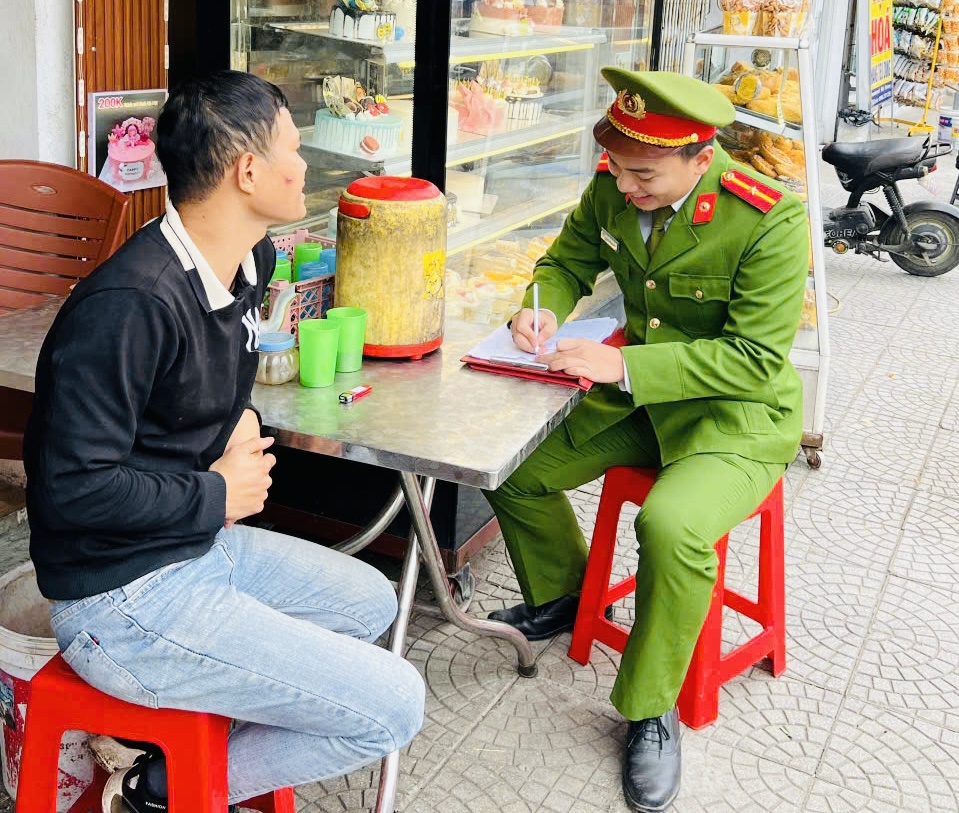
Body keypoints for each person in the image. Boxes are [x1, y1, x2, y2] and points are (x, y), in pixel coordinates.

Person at [24, 70, 425, 812]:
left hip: (196, 549)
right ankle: (161, 789)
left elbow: (205, 380)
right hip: (118, 598)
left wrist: (237, 420)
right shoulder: (129, 305)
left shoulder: (251, 257)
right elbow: (71, 488)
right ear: (248, 171)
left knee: (370, 600)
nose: (303, 165)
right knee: (397, 702)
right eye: (293, 149)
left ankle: (182, 752)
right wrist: (216, 492)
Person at [483, 69, 808, 812]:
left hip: (733, 417)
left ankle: (649, 707)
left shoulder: (767, 218)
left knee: (669, 523)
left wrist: (623, 362)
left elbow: (755, 359)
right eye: (619, 169)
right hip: (639, 404)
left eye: (644, 174)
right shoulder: (615, 184)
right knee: (510, 469)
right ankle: (564, 596)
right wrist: (538, 308)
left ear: (700, 156)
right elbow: (565, 261)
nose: (626, 187)